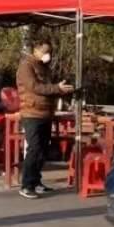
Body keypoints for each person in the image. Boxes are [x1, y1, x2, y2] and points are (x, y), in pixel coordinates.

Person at [16, 39, 74, 200]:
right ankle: (26, 185)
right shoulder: (26, 66)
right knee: (34, 149)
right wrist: (56, 88)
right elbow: (35, 87)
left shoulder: (45, 67)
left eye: (50, 52)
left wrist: (60, 90)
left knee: (42, 150)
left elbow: (48, 89)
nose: (48, 55)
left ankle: (36, 181)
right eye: (45, 51)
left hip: (46, 113)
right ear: (36, 50)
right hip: (32, 113)